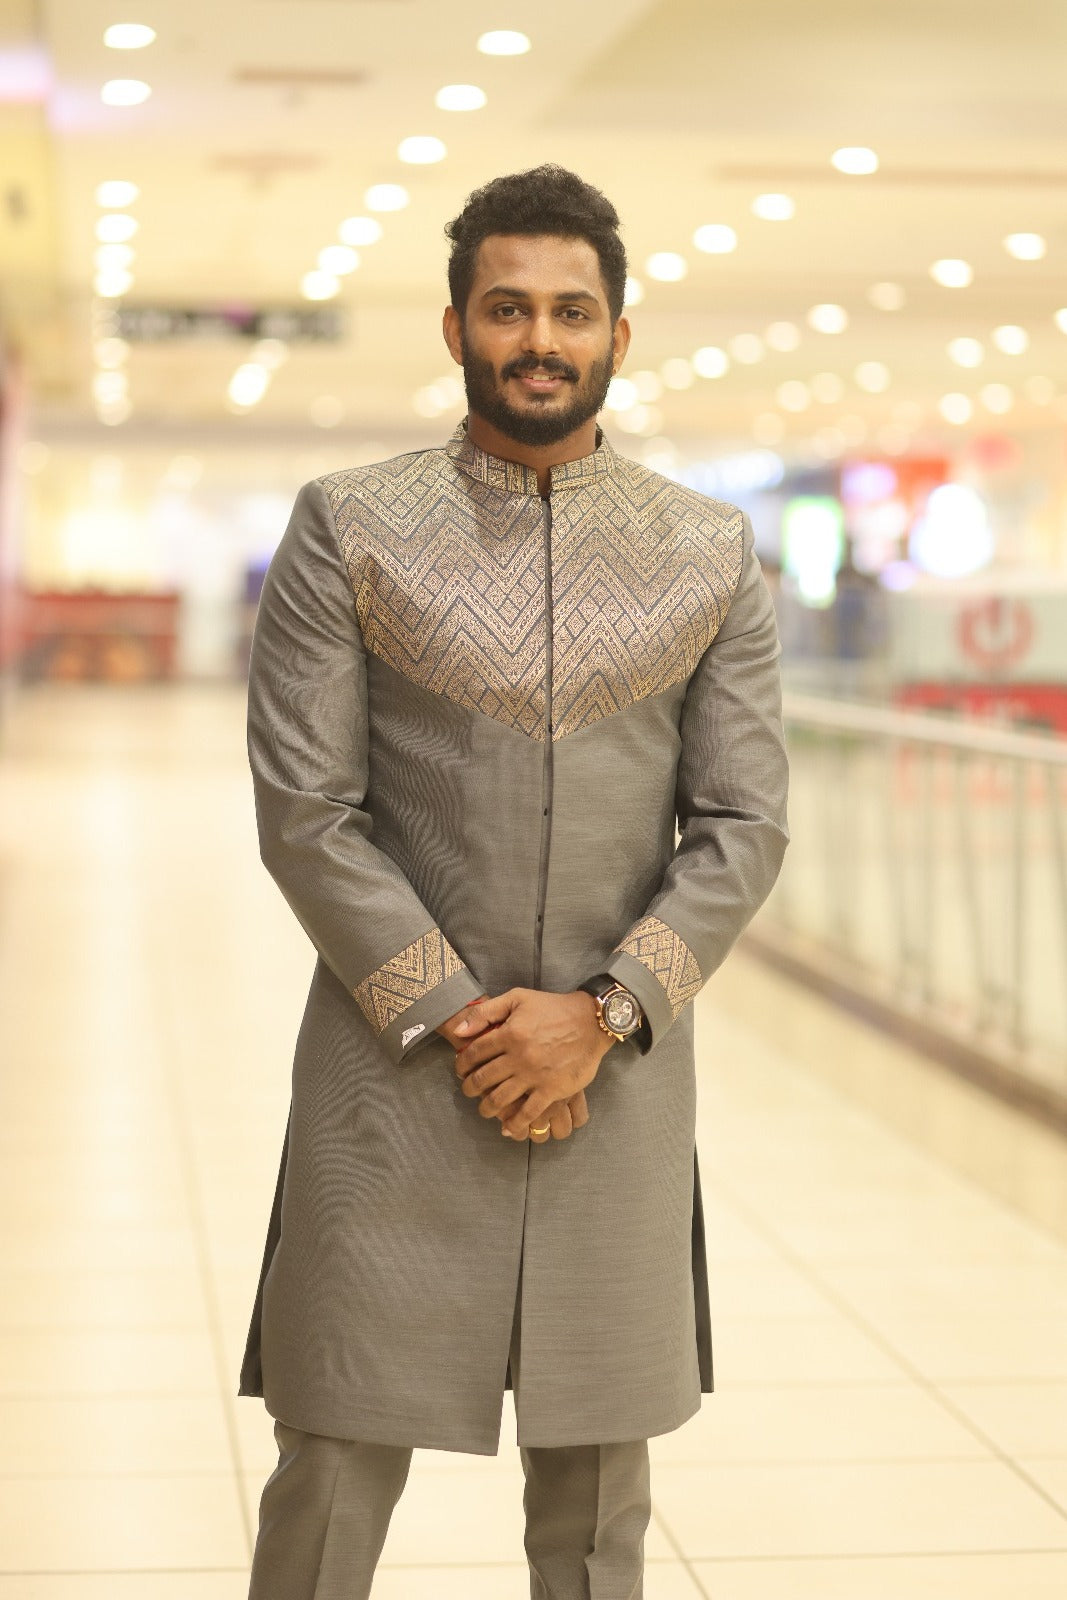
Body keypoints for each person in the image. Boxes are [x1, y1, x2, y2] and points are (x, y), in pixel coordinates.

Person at [241, 164, 789, 1600]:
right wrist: (475, 1023)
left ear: (618, 331)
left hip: (613, 1083)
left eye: (569, 309)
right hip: (395, 1071)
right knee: (329, 1479)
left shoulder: (709, 551)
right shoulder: (349, 526)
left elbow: (743, 823)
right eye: (507, 308)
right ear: (454, 328)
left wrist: (597, 1018)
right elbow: (308, 811)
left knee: (603, 1510)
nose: (538, 337)